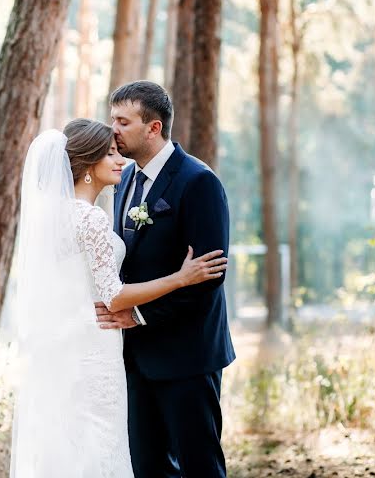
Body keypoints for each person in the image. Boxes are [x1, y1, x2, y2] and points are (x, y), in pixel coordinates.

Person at [10, 118, 227, 477]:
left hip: (70, 343)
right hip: (96, 344)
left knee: (74, 444)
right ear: (87, 166)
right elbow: (113, 295)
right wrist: (180, 277)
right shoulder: (91, 218)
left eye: (121, 128)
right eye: (109, 154)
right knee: (99, 444)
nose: (119, 160)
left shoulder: (55, 215)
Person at [96, 80, 235, 478]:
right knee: (147, 467)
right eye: (112, 121)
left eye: (123, 122)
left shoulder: (198, 182)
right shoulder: (124, 180)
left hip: (187, 355)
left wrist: (139, 315)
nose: (113, 131)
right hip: (136, 360)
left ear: (153, 128)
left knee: (199, 467)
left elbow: (208, 279)